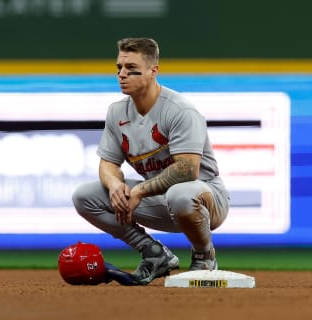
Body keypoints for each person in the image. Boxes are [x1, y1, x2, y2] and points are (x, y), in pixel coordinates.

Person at [72, 37, 229, 285]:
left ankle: (204, 255)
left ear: (153, 71)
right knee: (85, 196)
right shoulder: (117, 112)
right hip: (157, 199)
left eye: (131, 69)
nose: (122, 74)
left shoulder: (180, 110)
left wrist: (141, 190)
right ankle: (153, 253)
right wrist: (115, 185)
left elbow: (188, 169)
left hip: (206, 200)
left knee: (181, 193)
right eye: (119, 68)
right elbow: (108, 164)